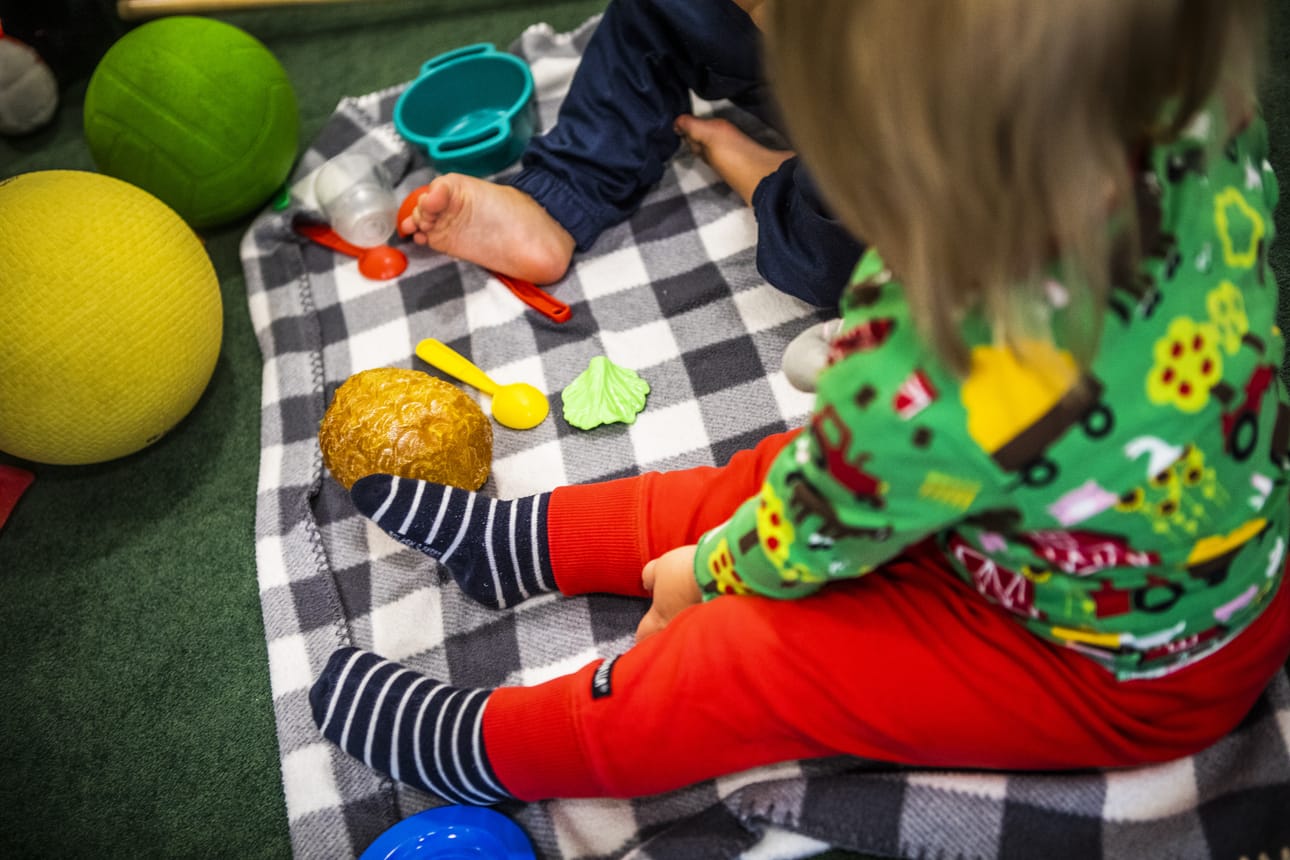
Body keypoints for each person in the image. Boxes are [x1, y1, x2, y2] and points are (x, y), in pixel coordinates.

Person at [311, 0, 1290, 805]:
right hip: (1059, 530)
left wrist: (708, 571)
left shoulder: (932, 363)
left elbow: (808, 528)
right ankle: (528, 542)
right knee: (783, 474)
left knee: (750, 653)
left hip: (1113, 668)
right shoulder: (1197, 121)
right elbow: (843, 476)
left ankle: (505, 745)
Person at [399, 0, 862, 308]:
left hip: (891, 95)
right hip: (785, 74)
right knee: (656, 12)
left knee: (852, 253)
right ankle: (563, 194)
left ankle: (784, 190)